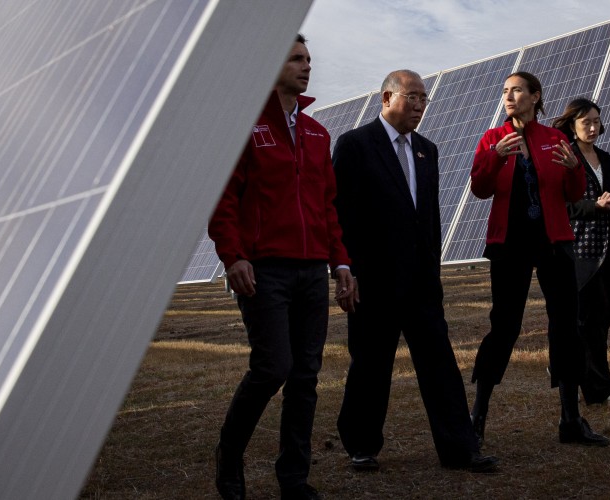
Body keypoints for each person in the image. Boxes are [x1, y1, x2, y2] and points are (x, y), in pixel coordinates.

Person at [207, 34, 353, 500]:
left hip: (312, 271)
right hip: (264, 270)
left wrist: (342, 264)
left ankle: (294, 477)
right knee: (273, 368)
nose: (306, 66)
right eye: (296, 59)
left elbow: (328, 207)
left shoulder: (317, 133)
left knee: (306, 376)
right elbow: (223, 200)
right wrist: (233, 256)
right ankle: (229, 456)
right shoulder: (243, 127)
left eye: (308, 59)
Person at [332, 70, 499, 474]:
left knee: (439, 363)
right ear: (387, 97)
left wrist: (433, 268)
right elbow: (342, 213)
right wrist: (345, 271)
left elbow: (430, 217)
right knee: (371, 365)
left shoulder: (427, 150)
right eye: (412, 97)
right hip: (373, 280)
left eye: (424, 98)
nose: (420, 106)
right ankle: (361, 445)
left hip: (421, 282)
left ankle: (461, 449)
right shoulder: (355, 145)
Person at [467, 71, 609, 447]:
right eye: (505, 92)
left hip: (554, 242)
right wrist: (495, 159)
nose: (509, 97)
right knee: (505, 326)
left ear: (535, 96)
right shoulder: (493, 139)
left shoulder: (555, 139)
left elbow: (575, 192)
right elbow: (480, 189)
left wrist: (574, 167)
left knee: (566, 325)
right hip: (509, 244)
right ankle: (476, 420)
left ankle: (570, 420)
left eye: (516, 91)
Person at [552, 98, 610, 409]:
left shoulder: (607, 159)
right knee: (583, 319)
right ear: (572, 124)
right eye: (586, 121)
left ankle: (574, 374)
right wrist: (594, 206)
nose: (592, 127)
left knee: (600, 317)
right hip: (577, 247)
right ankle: (601, 386)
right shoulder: (565, 157)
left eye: (597, 121)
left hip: (606, 247)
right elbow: (561, 206)